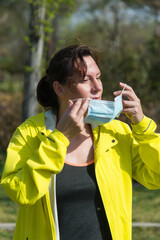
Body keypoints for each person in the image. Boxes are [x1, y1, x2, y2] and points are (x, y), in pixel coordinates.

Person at [1, 44, 160, 240]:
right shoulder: (30, 133)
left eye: (98, 77)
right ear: (59, 88)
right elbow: (20, 192)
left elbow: (156, 176)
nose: (98, 87)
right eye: (85, 80)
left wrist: (142, 126)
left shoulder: (116, 132)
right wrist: (59, 138)